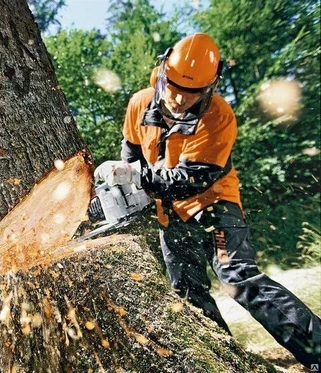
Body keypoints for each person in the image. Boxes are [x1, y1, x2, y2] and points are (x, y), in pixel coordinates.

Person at [93, 32, 321, 368]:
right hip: (169, 214)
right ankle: (223, 362)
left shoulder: (218, 116)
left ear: (209, 87)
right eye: (172, 87)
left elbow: (190, 180)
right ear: (163, 72)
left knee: (238, 279)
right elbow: (131, 154)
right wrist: (122, 179)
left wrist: (139, 177)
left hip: (214, 205)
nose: (178, 98)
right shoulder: (139, 104)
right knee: (188, 294)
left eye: (190, 93)